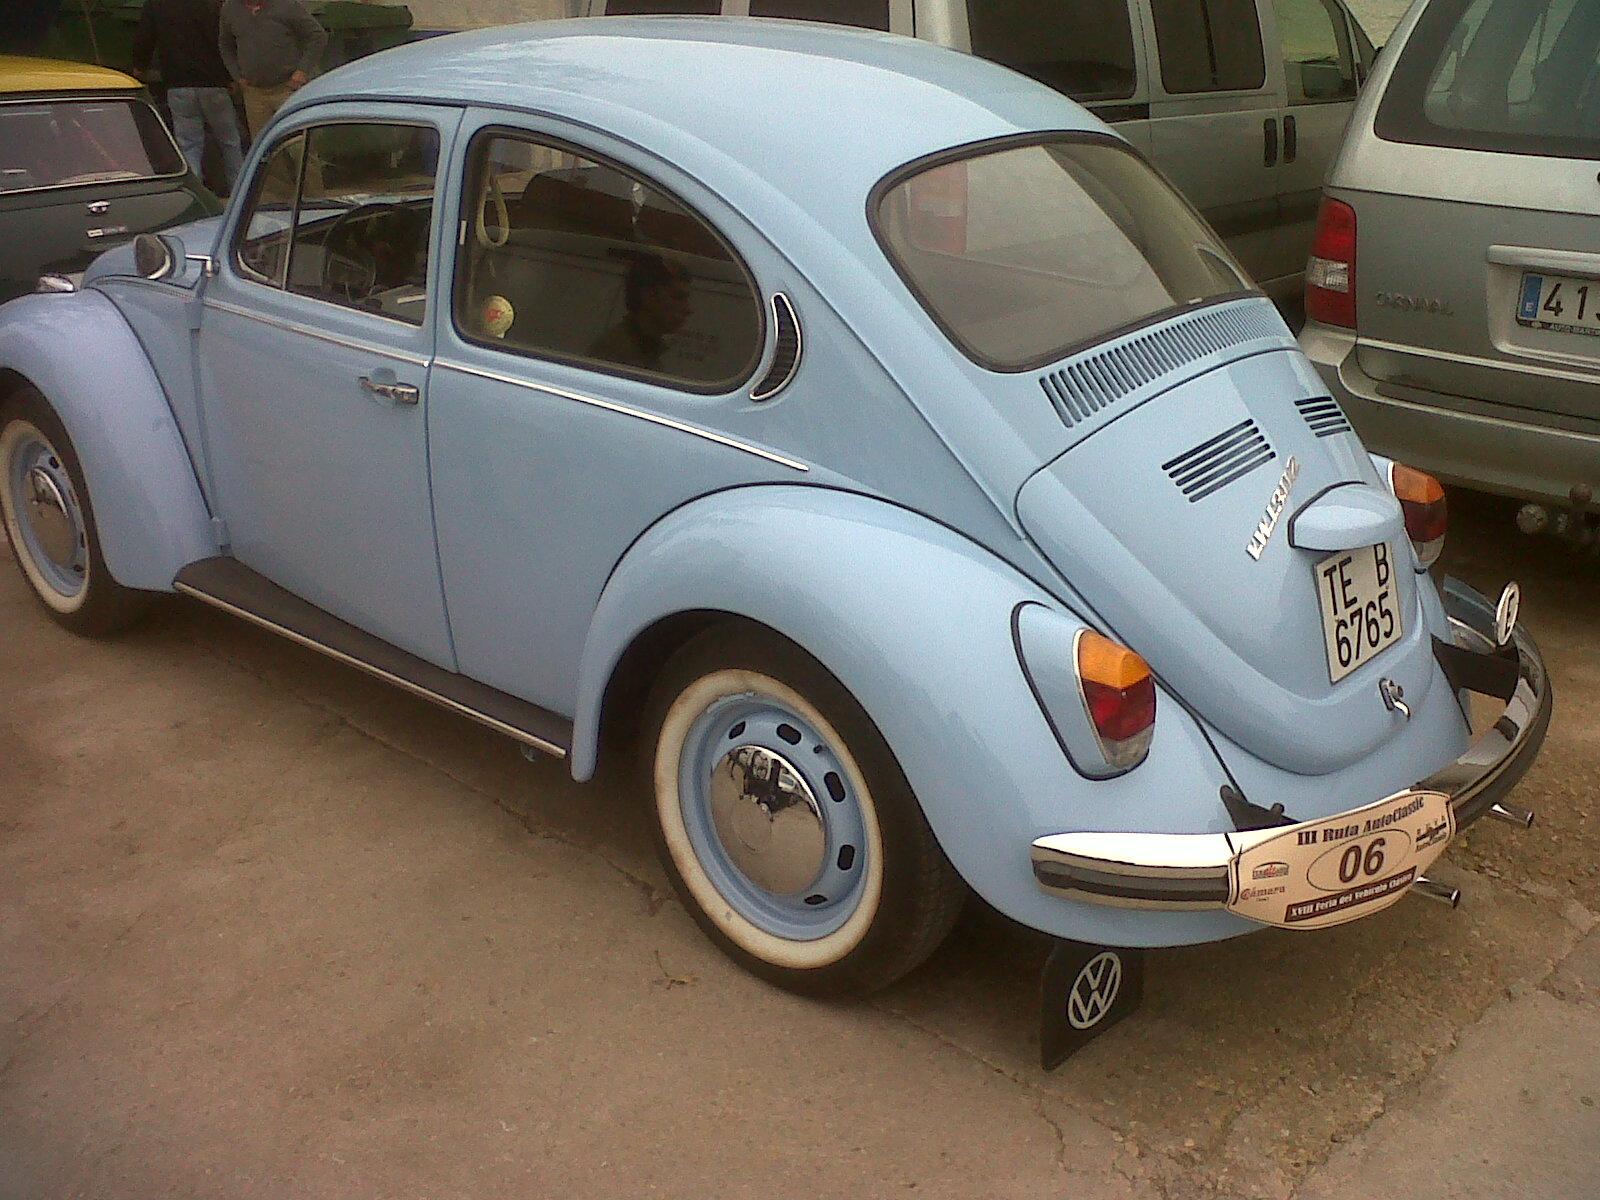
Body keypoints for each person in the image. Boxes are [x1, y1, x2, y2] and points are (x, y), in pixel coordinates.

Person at [131, 0, 244, 194]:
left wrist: (139, 67)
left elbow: (145, 37)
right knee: (230, 141)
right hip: (215, 83)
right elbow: (228, 40)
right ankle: (240, 193)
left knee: (189, 145)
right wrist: (231, 76)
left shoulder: (157, 4)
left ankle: (196, 194)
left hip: (178, 84)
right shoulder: (215, 4)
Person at [218, 0, 328, 139]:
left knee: (297, 144)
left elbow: (318, 36)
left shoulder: (287, 5)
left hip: (287, 89)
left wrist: (302, 71)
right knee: (265, 147)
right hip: (254, 93)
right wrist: (237, 76)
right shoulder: (230, 8)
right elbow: (225, 45)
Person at [588, 253, 693, 373]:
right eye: (678, 297)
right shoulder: (615, 351)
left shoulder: (646, 350)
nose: (688, 309)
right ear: (648, 297)